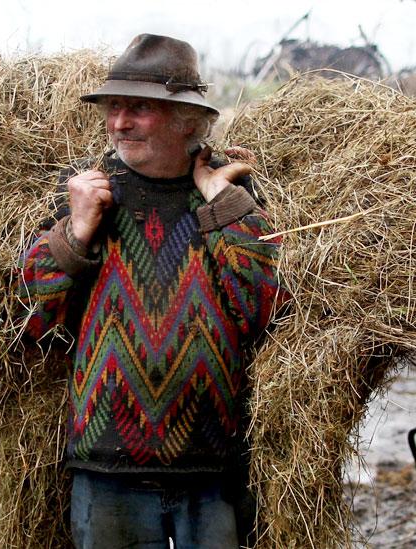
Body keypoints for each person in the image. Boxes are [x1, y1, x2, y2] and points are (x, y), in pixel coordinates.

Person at [20, 33, 287, 548]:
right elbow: (32, 320)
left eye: (140, 108)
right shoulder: (83, 195)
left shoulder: (234, 197)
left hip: (211, 470)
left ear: (189, 119)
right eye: (113, 107)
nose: (120, 122)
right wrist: (74, 233)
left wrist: (223, 206)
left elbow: (263, 310)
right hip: (105, 469)